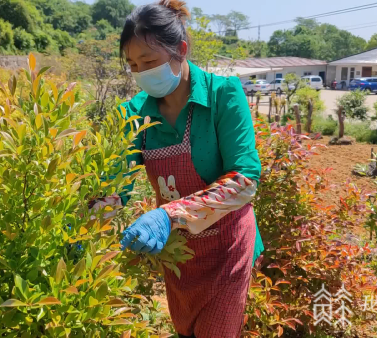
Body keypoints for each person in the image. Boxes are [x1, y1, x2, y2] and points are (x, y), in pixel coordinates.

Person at [91, 1, 264, 337]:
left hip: (227, 249)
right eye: (133, 65)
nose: (141, 72)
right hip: (178, 253)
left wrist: (168, 215)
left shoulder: (222, 96)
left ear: (180, 50)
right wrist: (87, 227)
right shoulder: (132, 114)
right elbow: (115, 189)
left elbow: (244, 180)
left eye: (150, 62)